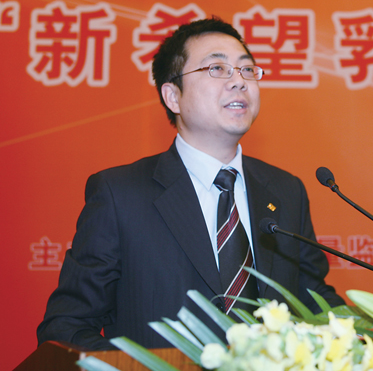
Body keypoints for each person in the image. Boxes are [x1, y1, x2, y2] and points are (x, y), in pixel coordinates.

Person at [37, 18, 344, 351]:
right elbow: (66, 327)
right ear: (173, 96)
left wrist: (359, 337)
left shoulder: (286, 190)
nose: (239, 82)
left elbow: (312, 301)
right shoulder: (119, 195)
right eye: (217, 69)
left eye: (247, 70)